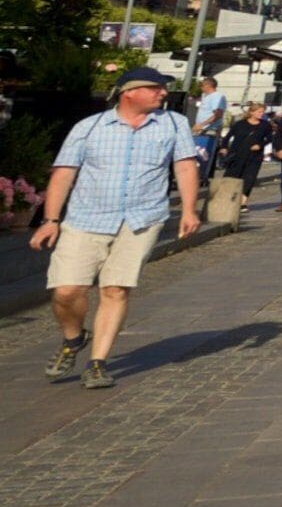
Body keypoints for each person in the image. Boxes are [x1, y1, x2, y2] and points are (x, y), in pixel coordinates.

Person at [30, 69, 203, 389]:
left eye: (163, 88)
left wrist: (189, 210)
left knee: (116, 288)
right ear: (129, 93)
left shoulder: (173, 124)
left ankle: (98, 363)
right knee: (67, 290)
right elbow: (64, 173)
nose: (162, 93)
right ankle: (73, 338)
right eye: (155, 88)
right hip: (86, 219)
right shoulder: (90, 127)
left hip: (141, 219)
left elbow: (184, 165)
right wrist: (50, 220)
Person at [209, 102, 276, 228]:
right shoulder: (240, 124)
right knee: (231, 176)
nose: (261, 114)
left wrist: (260, 145)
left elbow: (270, 139)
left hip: (254, 156)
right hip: (237, 154)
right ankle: (226, 199)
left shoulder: (265, 126)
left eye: (262, 112)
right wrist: (224, 148)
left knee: (249, 178)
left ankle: (243, 203)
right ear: (251, 112)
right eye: (258, 112)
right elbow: (228, 137)